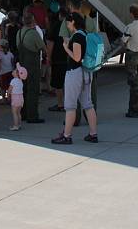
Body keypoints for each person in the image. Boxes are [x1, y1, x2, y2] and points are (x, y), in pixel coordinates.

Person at [52, 12, 98, 144]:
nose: (67, 25)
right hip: (86, 73)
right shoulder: (85, 34)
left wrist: (66, 48)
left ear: (73, 22)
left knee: (70, 106)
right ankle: (93, 134)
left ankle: (67, 135)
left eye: (67, 22)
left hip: (75, 73)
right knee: (88, 104)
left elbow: (77, 57)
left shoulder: (77, 36)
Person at [16, 13, 45, 123]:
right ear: (32, 21)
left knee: (23, 89)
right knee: (33, 90)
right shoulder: (33, 33)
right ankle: (32, 116)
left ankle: (22, 114)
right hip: (32, 65)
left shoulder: (19, 33)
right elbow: (42, 47)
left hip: (22, 64)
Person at [46, 8, 67, 112]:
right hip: (70, 58)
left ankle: (60, 104)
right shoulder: (71, 25)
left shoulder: (56, 26)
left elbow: (50, 43)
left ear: (60, 15)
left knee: (58, 84)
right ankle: (70, 103)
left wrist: (48, 57)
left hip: (58, 59)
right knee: (68, 83)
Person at [8, 63, 26, 130]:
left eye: (15, 70)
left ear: (17, 74)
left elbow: (10, 89)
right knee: (18, 112)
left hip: (15, 98)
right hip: (21, 98)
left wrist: (8, 95)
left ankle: (15, 126)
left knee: (14, 113)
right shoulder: (20, 81)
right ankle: (19, 124)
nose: (13, 71)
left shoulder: (13, 81)